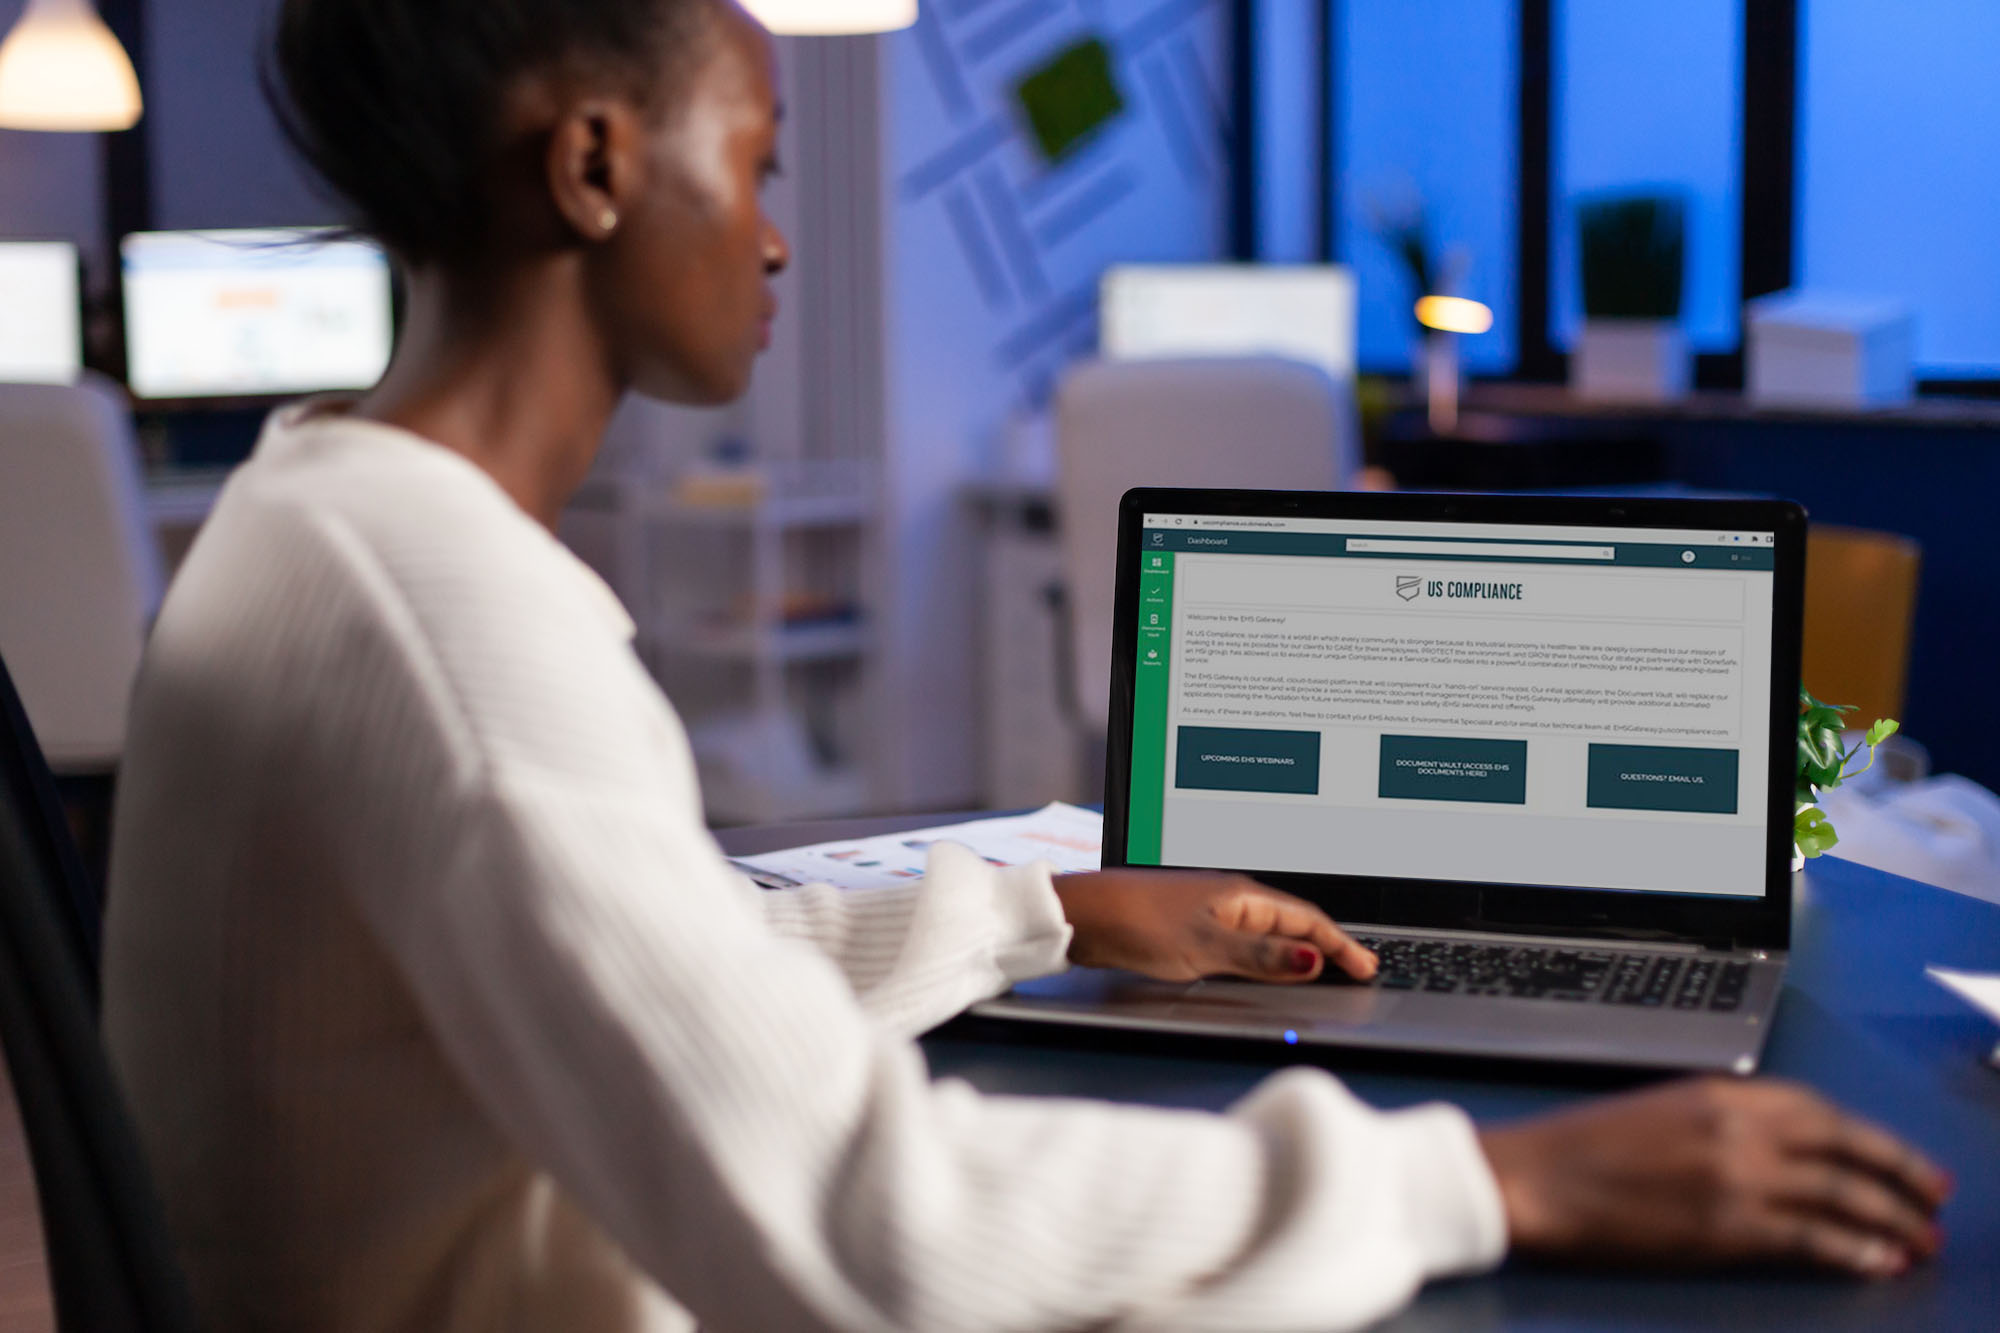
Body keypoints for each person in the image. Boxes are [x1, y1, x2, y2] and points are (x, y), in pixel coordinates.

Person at [101, 1, 1951, 1329]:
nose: (774, 238)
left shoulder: (317, 523)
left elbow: (656, 971)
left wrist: (1044, 909)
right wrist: (1499, 1177)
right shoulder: (456, 634)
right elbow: (870, 1229)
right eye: (754, 163)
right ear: (592, 165)